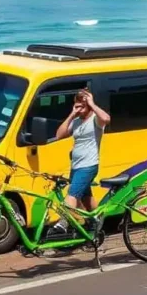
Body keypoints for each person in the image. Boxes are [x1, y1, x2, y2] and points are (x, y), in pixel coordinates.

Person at [49, 88, 110, 235]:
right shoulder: (76, 121)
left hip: (88, 165)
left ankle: (63, 222)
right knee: (85, 197)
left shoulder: (95, 120)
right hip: (76, 166)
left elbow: (107, 119)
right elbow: (59, 135)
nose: (80, 109)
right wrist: (72, 114)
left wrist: (92, 103)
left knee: (73, 194)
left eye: (83, 106)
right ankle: (96, 218)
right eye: (77, 106)